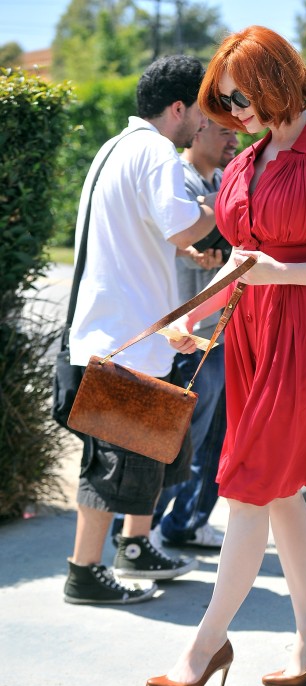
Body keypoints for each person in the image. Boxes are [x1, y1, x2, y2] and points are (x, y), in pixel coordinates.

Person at [145, 25, 306, 686]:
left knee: (249, 485)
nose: (233, 112)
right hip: (252, 332)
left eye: (241, 97)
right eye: (224, 101)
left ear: (275, 80)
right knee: (276, 492)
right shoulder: (250, 158)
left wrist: (284, 272)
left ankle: (205, 645)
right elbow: (243, 263)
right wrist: (191, 317)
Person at [64, 55, 220, 606]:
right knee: (110, 465)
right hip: (123, 338)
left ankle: (135, 546)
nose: (205, 122)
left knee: (146, 452)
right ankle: (84, 573)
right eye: (201, 110)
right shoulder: (155, 152)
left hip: (120, 332)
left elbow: (152, 231)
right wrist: (217, 208)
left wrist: (188, 239)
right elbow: (183, 226)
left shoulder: (116, 147)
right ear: (178, 107)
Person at [154, 119, 239, 549]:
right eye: (225, 132)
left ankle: (185, 523)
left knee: (213, 442)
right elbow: (178, 242)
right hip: (185, 336)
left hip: (221, 333)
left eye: (236, 132)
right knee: (179, 442)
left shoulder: (224, 180)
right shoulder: (179, 179)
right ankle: (140, 531)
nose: (235, 140)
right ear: (199, 130)